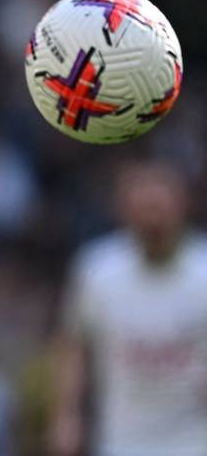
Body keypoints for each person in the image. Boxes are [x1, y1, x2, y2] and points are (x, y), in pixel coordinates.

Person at [49, 158, 207, 456]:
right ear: (123, 210)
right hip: (121, 441)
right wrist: (67, 416)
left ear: (183, 205)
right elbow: (75, 345)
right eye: (144, 209)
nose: (153, 220)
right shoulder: (97, 270)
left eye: (159, 208)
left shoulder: (204, 271)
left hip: (194, 440)